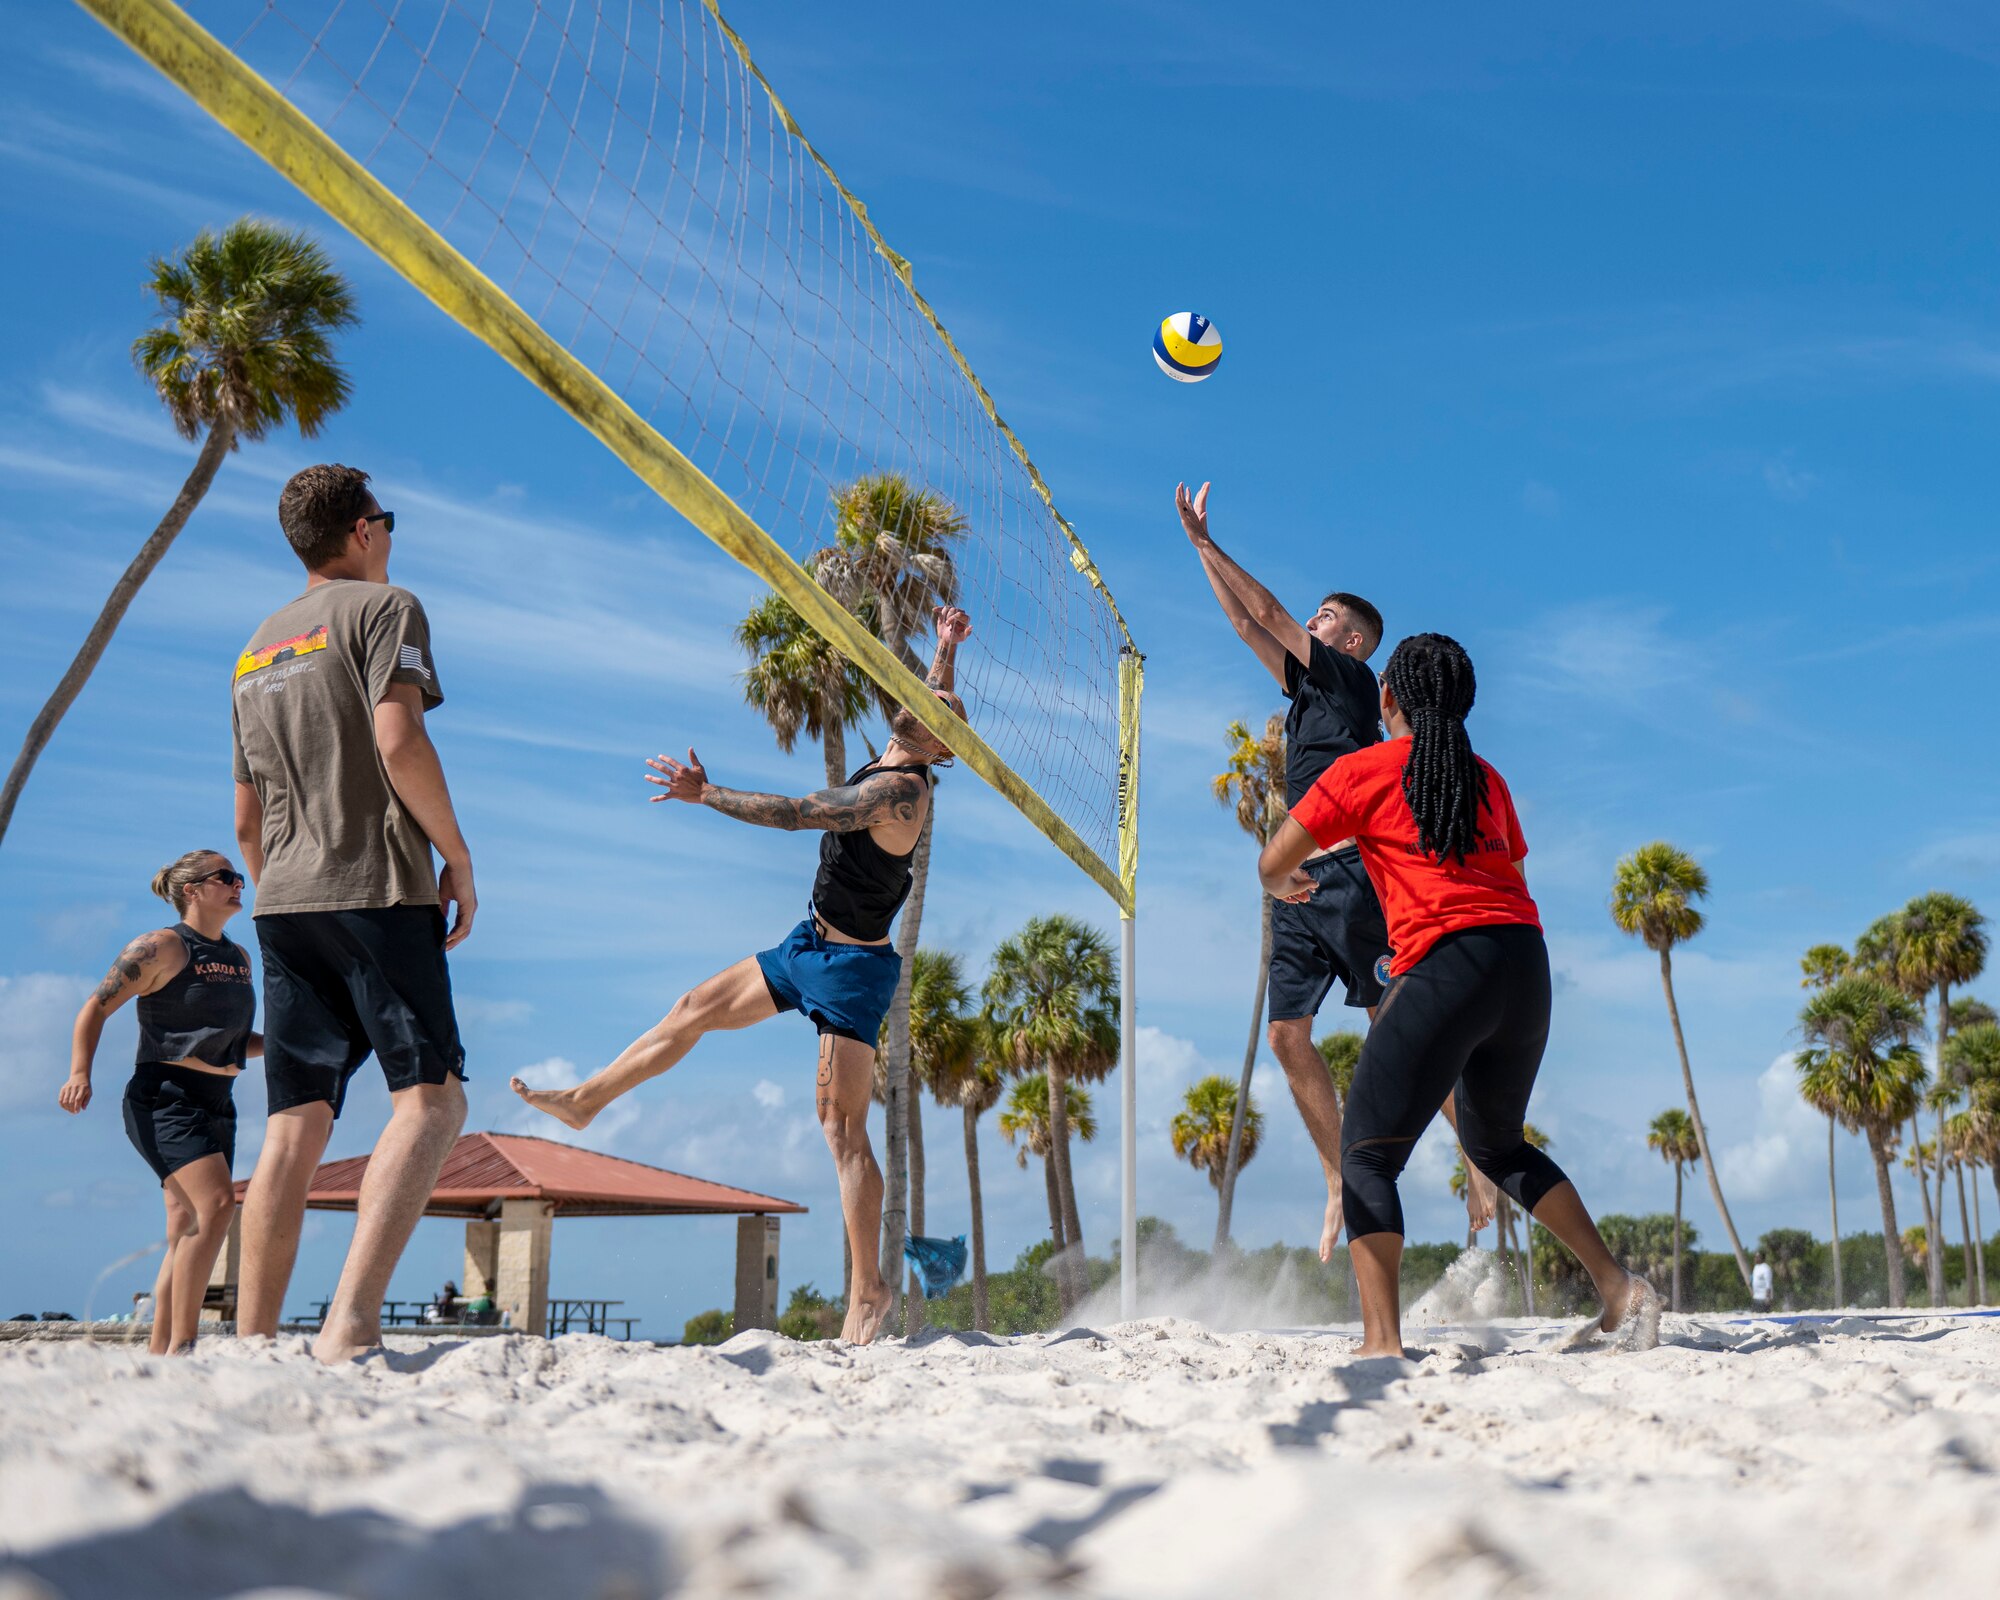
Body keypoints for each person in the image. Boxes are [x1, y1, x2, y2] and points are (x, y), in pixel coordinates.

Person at [514, 606, 973, 1344]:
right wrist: (946, 648)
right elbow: (931, 705)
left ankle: (869, 1291)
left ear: (940, 746)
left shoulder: (905, 791)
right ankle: (585, 1101)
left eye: (939, 705)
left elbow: (796, 812)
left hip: (853, 969)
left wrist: (709, 794)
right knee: (693, 1005)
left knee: (841, 1129)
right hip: (808, 945)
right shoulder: (908, 740)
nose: (929, 694)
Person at [1258, 632, 1659, 1357]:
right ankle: (1619, 1289)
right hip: (1524, 964)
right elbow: (1511, 879)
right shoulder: (1490, 779)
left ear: (1387, 698)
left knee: (1367, 1155)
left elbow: (1272, 861)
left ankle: (1382, 1343)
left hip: (1448, 963)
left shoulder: (1362, 770)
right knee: (1499, 1145)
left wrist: (1285, 882)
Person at [1177, 481, 1495, 1260]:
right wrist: (1198, 551)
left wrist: (1215, 545)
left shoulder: (1351, 681)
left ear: (1352, 643)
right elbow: (1246, 623)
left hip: (1352, 873)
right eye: (1318, 616)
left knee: (1395, 1022)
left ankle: (1479, 1156)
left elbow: (1273, 614)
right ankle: (1334, 1176)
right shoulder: (1304, 690)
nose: (1312, 624)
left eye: (1328, 619)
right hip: (1295, 892)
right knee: (1288, 1039)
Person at [231, 464, 473, 1363]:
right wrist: (457, 855)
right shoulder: (385, 607)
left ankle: (253, 1339)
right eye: (388, 520)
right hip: (373, 884)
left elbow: (245, 817)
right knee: (433, 1103)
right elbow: (399, 739)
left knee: (294, 1122)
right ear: (364, 529)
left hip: (282, 900)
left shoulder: (255, 648)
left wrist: (279, 892)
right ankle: (351, 1323)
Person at [59, 850, 259, 1355]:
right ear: (190, 890)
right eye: (226, 877)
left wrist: (290, 1044)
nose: (239, 883)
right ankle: (186, 1345)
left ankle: (159, 1352)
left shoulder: (239, 957)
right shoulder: (160, 947)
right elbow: (95, 1007)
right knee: (215, 1207)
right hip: (165, 1097)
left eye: (237, 877)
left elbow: (231, 1038)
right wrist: (79, 1071)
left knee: (185, 1226)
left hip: (220, 1100)